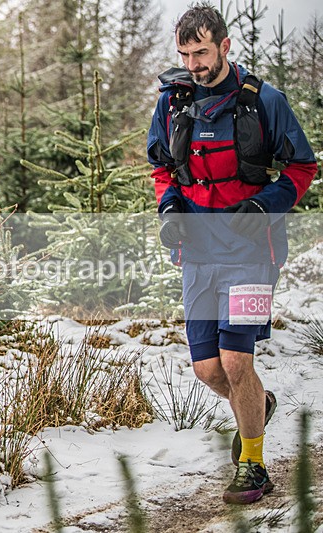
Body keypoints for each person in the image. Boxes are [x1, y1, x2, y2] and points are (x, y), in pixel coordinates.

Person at [147, 3, 318, 504]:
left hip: (250, 253)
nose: (194, 64)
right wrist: (169, 207)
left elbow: (302, 167)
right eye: (185, 53)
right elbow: (161, 168)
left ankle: (255, 464)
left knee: (236, 360)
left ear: (224, 46)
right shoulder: (174, 102)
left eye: (201, 52)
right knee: (208, 371)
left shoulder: (265, 101)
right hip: (197, 253)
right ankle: (257, 405)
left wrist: (265, 205)